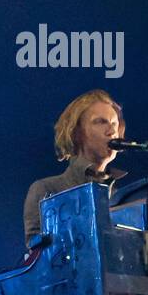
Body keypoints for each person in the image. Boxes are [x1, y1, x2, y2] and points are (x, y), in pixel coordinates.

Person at [22, 90, 126, 245]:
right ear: (76, 132)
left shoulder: (123, 198)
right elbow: (37, 254)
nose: (112, 132)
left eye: (114, 124)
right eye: (100, 122)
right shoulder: (46, 190)